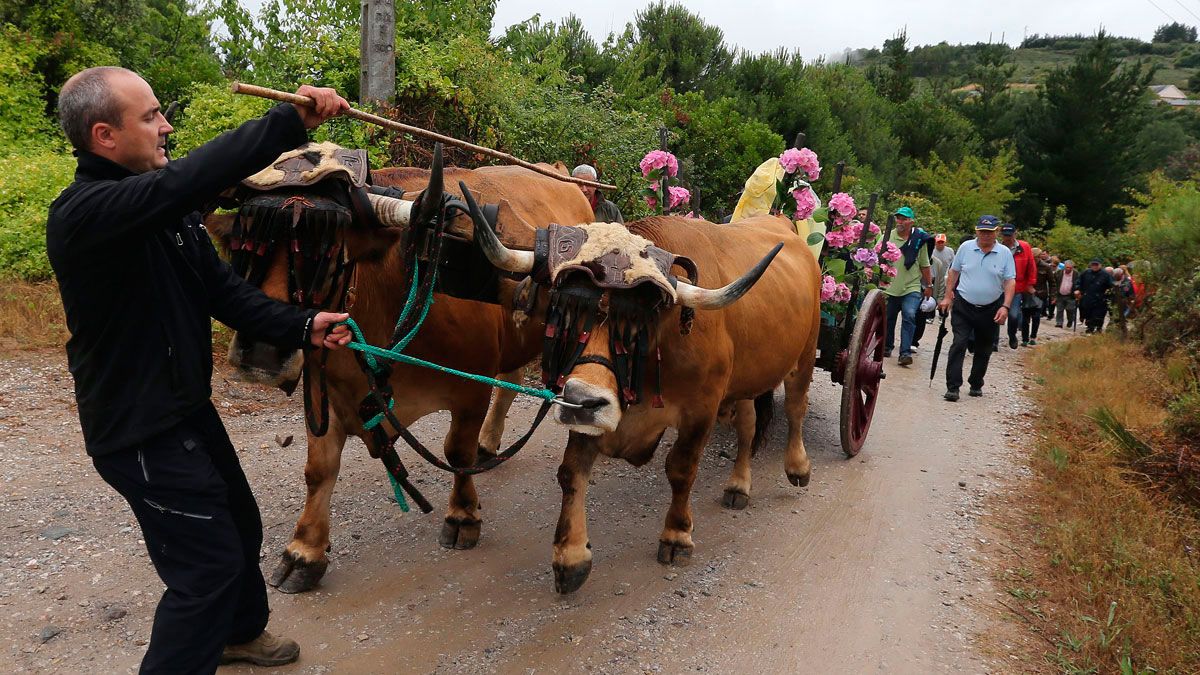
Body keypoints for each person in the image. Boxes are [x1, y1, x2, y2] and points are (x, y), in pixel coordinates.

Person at [48, 66, 352, 673]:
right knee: (205, 570)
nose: (166, 127)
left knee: (240, 522)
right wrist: (286, 123)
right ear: (104, 136)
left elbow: (224, 294)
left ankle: (239, 634)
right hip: (138, 428)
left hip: (183, 406)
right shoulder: (88, 213)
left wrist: (300, 324)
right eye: (151, 116)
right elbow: (188, 181)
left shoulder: (165, 214)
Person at [939, 215, 1016, 401]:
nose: (985, 235)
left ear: (996, 232)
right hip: (964, 305)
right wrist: (948, 296)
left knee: (984, 348)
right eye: (982, 231)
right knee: (959, 343)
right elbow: (954, 271)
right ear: (976, 231)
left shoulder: (1005, 253)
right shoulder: (966, 248)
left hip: (991, 307)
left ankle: (976, 382)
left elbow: (1010, 281)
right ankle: (953, 387)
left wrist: (1005, 306)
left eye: (989, 232)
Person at [882, 205, 933, 366]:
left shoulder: (919, 240)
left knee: (910, 314)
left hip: (911, 286)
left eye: (904, 219)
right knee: (888, 318)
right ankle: (887, 346)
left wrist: (929, 284)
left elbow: (924, 264)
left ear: (911, 221)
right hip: (890, 286)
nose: (900, 221)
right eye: (898, 218)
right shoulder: (887, 236)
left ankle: (904, 353)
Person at [996, 223, 1036, 350]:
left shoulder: (1024, 247)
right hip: (997, 287)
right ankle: (993, 342)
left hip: (1016, 288)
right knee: (995, 315)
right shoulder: (997, 247)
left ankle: (1012, 335)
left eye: (1010, 235)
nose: (1007, 238)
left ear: (1015, 234)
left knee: (1013, 315)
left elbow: (1031, 266)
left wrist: (1030, 284)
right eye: (1005, 235)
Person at [1076, 258, 1114, 334]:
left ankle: (1098, 329)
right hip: (1087, 297)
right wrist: (1077, 289)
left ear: (1100, 265)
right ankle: (1090, 328)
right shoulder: (1086, 272)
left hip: (1100, 299)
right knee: (1088, 314)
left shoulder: (1105, 275)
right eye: (1093, 264)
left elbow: (1112, 286)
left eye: (1096, 265)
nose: (1094, 266)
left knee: (1098, 315)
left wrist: (1108, 294)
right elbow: (1078, 282)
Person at [1024, 247, 1053, 345]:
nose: (1034, 259)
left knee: (1036, 317)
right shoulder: (1025, 265)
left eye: (1036, 257)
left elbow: (1052, 283)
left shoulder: (1046, 267)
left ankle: (1033, 337)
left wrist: (1053, 296)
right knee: (1024, 318)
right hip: (1026, 294)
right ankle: (1024, 338)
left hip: (1040, 295)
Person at [1054, 260, 1078, 328]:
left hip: (1070, 295)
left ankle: (1070, 320)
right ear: (1064, 267)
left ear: (1073, 267)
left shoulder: (1076, 274)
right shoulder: (1058, 273)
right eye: (1067, 267)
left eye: (1070, 268)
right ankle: (1059, 323)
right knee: (1059, 309)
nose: (1068, 269)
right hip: (1060, 294)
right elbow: (1054, 283)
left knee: (1070, 309)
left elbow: (1078, 284)